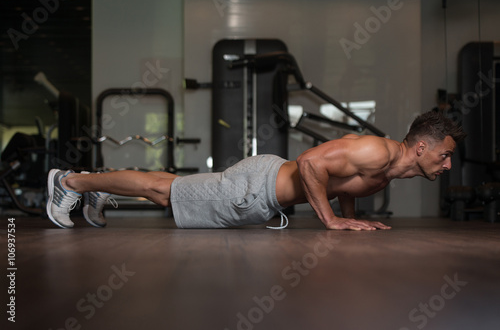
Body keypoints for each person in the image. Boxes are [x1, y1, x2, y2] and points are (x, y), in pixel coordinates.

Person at [46, 111, 465, 230]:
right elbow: (310, 162)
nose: (446, 165)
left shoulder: (390, 167)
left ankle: (94, 188)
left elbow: (341, 182)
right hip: (256, 186)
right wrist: (333, 220)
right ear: (422, 146)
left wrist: (350, 217)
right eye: (444, 156)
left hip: (260, 191)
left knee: (167, 187)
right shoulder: (379, 150)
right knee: (162, 190)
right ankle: (69, 182)